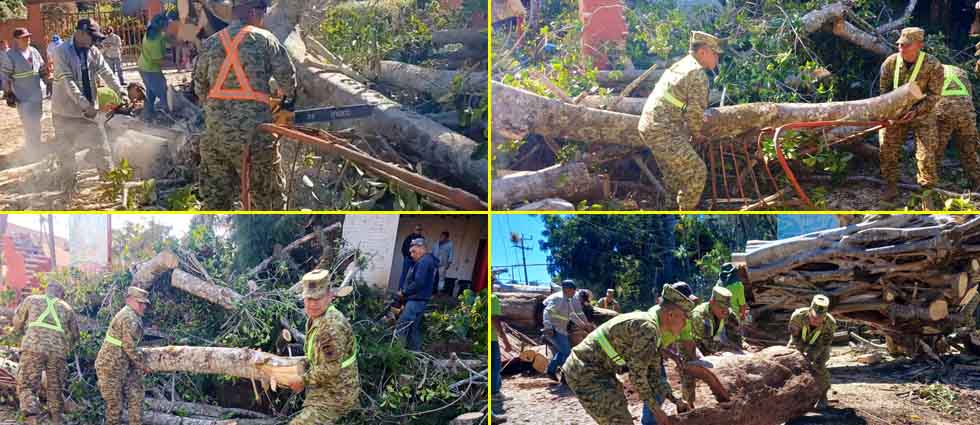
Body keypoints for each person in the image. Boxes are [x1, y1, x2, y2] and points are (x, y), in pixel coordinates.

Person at [193, 0, 296, 210]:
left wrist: (222, 109)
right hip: (254, 139)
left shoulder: (210, 43)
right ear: (253, 12)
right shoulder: (265, 39)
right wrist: (286, 104)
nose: (263, 19)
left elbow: (200, 90)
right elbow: (288, 82)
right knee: (268, 201)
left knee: (216, 200)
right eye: (262, 14)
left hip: (215, 137)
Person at [564, 285, 694, 425]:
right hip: (585, 371)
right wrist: (656, 410)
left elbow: (655, 376)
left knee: (618, 409)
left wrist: (676, 400)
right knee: (619, 420)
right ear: (670, 315)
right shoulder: (647, 329)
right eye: (684, 318)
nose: (685, 323)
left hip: (599, 371)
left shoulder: (654, 332)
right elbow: (637, 377)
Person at [638, 31, 722, 210]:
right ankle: (684, 218)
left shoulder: (681, 65)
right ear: (703, 52)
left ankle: (671, 212)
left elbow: (675, 100)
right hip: (663, 131)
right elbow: (695, 115)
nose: (717, 59)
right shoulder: (697, 74)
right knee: (697, 173)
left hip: (648, 125)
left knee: (674, 178)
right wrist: (698, 133)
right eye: (715, 54)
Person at [50, 18, 127, 190]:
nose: (95, 41)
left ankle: (109, 184)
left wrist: (121, 92)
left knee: (101, 147)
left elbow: (106, 72)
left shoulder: (92, 51)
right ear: (81, 33)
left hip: (88, 112)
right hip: (65, 113)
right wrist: (86, 106)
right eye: (93, 37)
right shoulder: (61, 52)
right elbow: (68, 83)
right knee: (66, 153)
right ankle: (68, 189)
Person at [878, 27, 945, 201]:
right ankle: (890, 186)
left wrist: (916, 111)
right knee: (887, 148)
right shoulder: (890, 63)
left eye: (907, 45)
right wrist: (888, 114)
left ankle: (927, 193)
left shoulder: (933, 65)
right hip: (895, 114)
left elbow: (935, 95)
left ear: (920, 45)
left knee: (926, 153)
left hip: (923, 114)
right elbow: (884, 93)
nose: (902, 48)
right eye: (900, 44)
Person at [287, 269, 359, 424]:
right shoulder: (317, 318)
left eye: (318, 298)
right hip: (324, 387)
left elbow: (331, 369)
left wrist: (302, 380)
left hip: (335, 395)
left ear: (330, 296)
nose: (313, 304)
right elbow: (316, 356)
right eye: (309, 299)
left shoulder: (331, 327)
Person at [11, 283, 80, 425]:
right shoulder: (67, 308)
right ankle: (56, 421)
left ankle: (32, 420)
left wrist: (25, 334)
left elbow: (17, 324)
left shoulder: (31, 300)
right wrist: (65, 347)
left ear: (46, 291)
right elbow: (75, 336)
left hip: (33, 347)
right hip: (58, 352)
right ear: (61, 294)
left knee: (27, 385)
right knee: (55, 388)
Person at [641, 282, 698, 425]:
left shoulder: (683, 317)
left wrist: (695, 363)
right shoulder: (654, 317)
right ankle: (650, 421)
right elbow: (639, 377)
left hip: (656, 351)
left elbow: (688, 342)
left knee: (661, 387)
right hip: (644, 353)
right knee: (656, 389)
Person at [96, 287, 151, 425]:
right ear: (129, 300)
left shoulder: (133, 315)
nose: (143, 306)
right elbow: (129, 347)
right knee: (115, 407)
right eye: (140, 303)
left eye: (145, 303)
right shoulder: (128, 316)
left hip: (123, 366)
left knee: (136, 398)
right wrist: (143, 365)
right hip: (110, 367)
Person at [1, 28, 47, 162]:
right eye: (23, 38)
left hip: (37, 94)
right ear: (16, 40)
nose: (27, 39)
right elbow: (5, 76)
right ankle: (32, 152)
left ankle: (36, 148)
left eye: (28, 37)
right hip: (22, 97)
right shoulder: (10, 55)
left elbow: (42, 68)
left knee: (37, 123)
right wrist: (8, 92)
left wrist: (46, 75)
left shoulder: (34, 51)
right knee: (29, 124)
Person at [788, 294, 837, 409]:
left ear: (825, 316)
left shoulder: (830, 324)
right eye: (814, 317)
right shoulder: (797, 317)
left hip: (819, 346)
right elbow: (795, 338)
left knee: (819, 367)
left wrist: (811, 356)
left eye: (820, 318)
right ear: (809, 311)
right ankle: (792, 395)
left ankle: (823, 396)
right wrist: (799, 355)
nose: (816, 320)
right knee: (790, 364)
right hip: (799, 341)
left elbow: (824, 344)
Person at [935, 64, 980, 188]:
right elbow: (969, 95)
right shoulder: (961, 71)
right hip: (966, 111)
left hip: (944, 110)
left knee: (935, 149)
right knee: (969, 150)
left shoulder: (929, 69)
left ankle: (931, 186)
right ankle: (977, 182)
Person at [541, 279, 592, 381]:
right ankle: (565, 376)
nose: (574, 293)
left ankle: (551, 371)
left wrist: (584, 325)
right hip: (554, 330)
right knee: (567, 353)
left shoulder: (568, 300)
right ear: (566, 289)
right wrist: (548, 327)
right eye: (572, 290)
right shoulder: (558, 298)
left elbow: (572, 315)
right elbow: (546, 312)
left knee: (563, 352)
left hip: (561, 330)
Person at [396, 238, 438, 350]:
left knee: (402, 326)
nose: (411, 254)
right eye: (410, 252)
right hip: (421, 300)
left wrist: (404, 292)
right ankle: (415, 353)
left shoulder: (424, 262)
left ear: (421, 249)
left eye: (413, 251)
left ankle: (396, 353)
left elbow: (418, 282)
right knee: (413, 328)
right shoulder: (428, 260)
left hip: (416, 300)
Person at [689, 286, 742, 355]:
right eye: (721, 307)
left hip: (712, 344)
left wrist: (741, 345)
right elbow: (707, 343)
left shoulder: (728, 313)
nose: (725, 311)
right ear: (711, 303)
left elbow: (736, 336)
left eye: (727, 307)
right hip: (693, 347)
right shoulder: (699, 315)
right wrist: (727, 349)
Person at [138, 14, 171, 122]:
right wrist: (176, 62)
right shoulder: (154, 41)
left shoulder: (153, 32)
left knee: (150, 92)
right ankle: (165, 116)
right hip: (150, 69)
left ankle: (147, 115)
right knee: (162, 91)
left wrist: (178, 43)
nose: (168, 26)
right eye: (167, 24)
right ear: (162, 26)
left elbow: (166, 39)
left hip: (143, 66)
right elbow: (158, 61)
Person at [490, 292, 513, 423]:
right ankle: (494, 393)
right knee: (495, 365)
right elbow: (495, 320)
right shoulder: (492, 298)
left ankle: (495, 392)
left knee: (494, 366)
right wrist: (506, 341)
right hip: (491, 338)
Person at [397, 225, 424, 291]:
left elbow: (423, 249)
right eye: (417, 229)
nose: (418, 231)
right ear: (414, 230)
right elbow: (403, 248)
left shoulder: (422, 239)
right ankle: (399, 290)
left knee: (414, 276)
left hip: (416, 260)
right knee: (404, 275)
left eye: (419, 229)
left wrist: (419, 258)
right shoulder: (409, 237)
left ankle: (409, 290)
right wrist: (407, 256)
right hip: (408, 259)